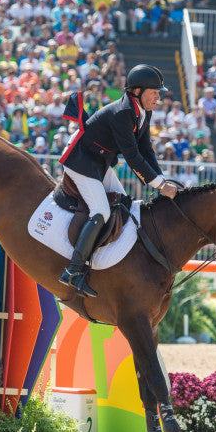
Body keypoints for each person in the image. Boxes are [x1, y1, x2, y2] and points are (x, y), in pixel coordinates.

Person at [58, 64, 177, 297]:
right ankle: (73, 270)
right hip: (81, 161)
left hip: (99, 163)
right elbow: (132, 157)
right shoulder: (123, 113)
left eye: (158, 92)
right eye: (154, 92)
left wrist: (161, 178)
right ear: (136, 92)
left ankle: (101, 263)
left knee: (122, 203)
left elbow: (146, 150)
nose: (158, 97)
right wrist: (159, 186)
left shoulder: (143, 111)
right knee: (101, 211)